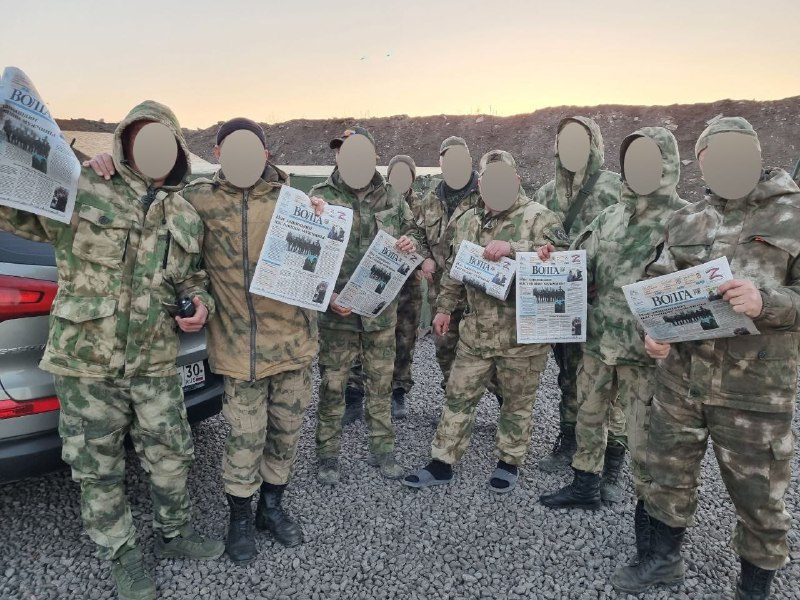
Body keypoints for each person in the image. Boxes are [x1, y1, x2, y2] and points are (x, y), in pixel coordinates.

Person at [1, 100, 224, 600]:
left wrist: (201, 306)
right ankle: (122, 555)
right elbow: (13, 209)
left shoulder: (185, 215)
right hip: (87, 363)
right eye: (142, 137)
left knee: (172, 453)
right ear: (124, 142)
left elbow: (194, 279)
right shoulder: (83, 187)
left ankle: (175, 534)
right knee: (97, 466)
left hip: (155, 360)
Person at [86, 117, 326, 566]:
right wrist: (111, 165)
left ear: (266, 155)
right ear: (217, 154)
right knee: (244, 439)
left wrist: (320, 214)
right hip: (238, 351)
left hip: (293, 346)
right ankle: (240, 517)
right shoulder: (195, 200)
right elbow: (149, 196)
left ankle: (271, 508)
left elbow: (323, 249)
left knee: (285, 435)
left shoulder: (293, 202)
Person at [611, 117, 800, 600]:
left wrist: (767, 302)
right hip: (681, 382)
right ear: (701, 162)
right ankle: (662, 561)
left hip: (755, 390)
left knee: (760, 496)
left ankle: (754, 588)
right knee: (666, 476)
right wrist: (653, 334)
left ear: (757, 155)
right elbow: (656, 285)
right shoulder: (687, 220)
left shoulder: (793, 215)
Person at [539, 127, 688, 510]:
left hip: (647, 352)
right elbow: (581, 263)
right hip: (599, 340)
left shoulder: (688, 221)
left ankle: (648, 509)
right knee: (589, 414)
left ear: (668, 164)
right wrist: (551, 260)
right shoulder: (610, 217)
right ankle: (585, 485)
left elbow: (700, 290)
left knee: (643, 431)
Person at [403, 150, 568, 493]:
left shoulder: (540, 218)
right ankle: (442, 461)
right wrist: (444, 308)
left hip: (522, 338)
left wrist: (514, 248)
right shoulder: (468, 221)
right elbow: (455, 270)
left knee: (517, 403)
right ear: (480, 185)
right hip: (475, 332)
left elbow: (565, 263)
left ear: (517, 180)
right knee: (458, 395)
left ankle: (509, 462)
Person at [311, 126, 428, 486]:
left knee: (380, 385)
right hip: (337, 314)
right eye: (342, 151)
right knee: (333, 387)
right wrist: (327, 296)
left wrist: (410, 242)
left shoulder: (391, 195)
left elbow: (416, 232)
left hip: (379, 313)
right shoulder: (319, 197)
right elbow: (304, 257)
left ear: (374, 156)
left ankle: (383, 451)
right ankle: (327, 456)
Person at [534, 116, 622, 473]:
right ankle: (569, 440)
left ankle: (613, 456)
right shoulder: (545, 194)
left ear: (593, 145)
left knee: (609, 380)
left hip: (603, 302)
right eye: (564, 140)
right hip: (562, 301)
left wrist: (605, 277)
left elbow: (632, 241)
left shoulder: (615, 188)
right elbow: (533, 238)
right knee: (569, 374)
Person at [343, 155, 426, 423]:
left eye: (406, 173)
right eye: (396, 173)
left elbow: (427, 240)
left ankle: (397, 391)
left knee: (404, 338)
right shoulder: (380, 199)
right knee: (360, 334)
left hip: (407, 284)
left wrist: (415, 247)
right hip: (373, 280)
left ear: (413, 177)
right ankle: (354, 393)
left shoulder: (423, 206)